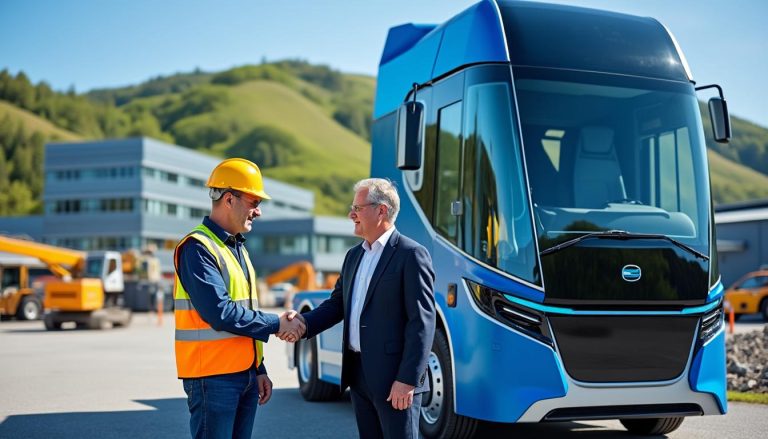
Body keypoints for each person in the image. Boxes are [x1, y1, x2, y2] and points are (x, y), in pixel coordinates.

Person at [284, 178, 436, 439]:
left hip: (394, 380)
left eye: (357, 207)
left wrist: (408, 379)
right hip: (358, 375)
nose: (350, 214)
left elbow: (421, 322)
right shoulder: (353, 256)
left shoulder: (411, 254)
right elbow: (336, 305)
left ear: (382, 210)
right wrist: (303, 323)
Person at [174, 158, 305, 439]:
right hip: (212, 378)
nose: (258, 211)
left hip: (243, 375)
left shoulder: (237, 248)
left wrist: (258, 368)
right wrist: (277, 323)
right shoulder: (197, 248)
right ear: (230, 199)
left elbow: (245, 312)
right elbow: (220, 312)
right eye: (253, 201)